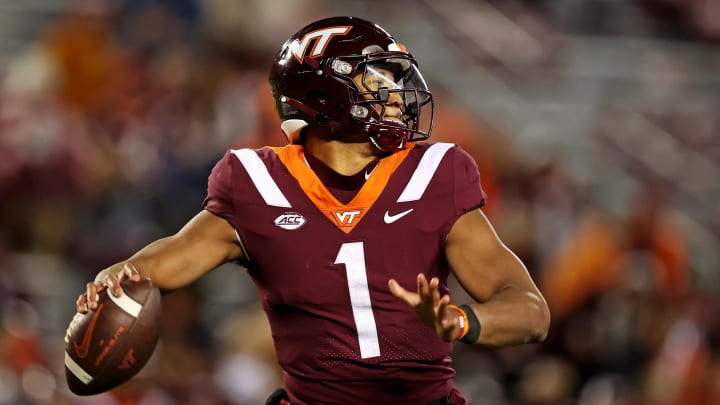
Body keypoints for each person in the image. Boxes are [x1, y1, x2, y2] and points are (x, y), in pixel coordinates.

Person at [73, 16, 550, 405]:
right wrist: (119, 276)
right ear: (326, 99)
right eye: (377, 81)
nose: (397, 96)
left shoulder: (436, 173)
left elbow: (531, 313)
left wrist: (462, 321)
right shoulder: (256, 183)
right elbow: (172, 259)